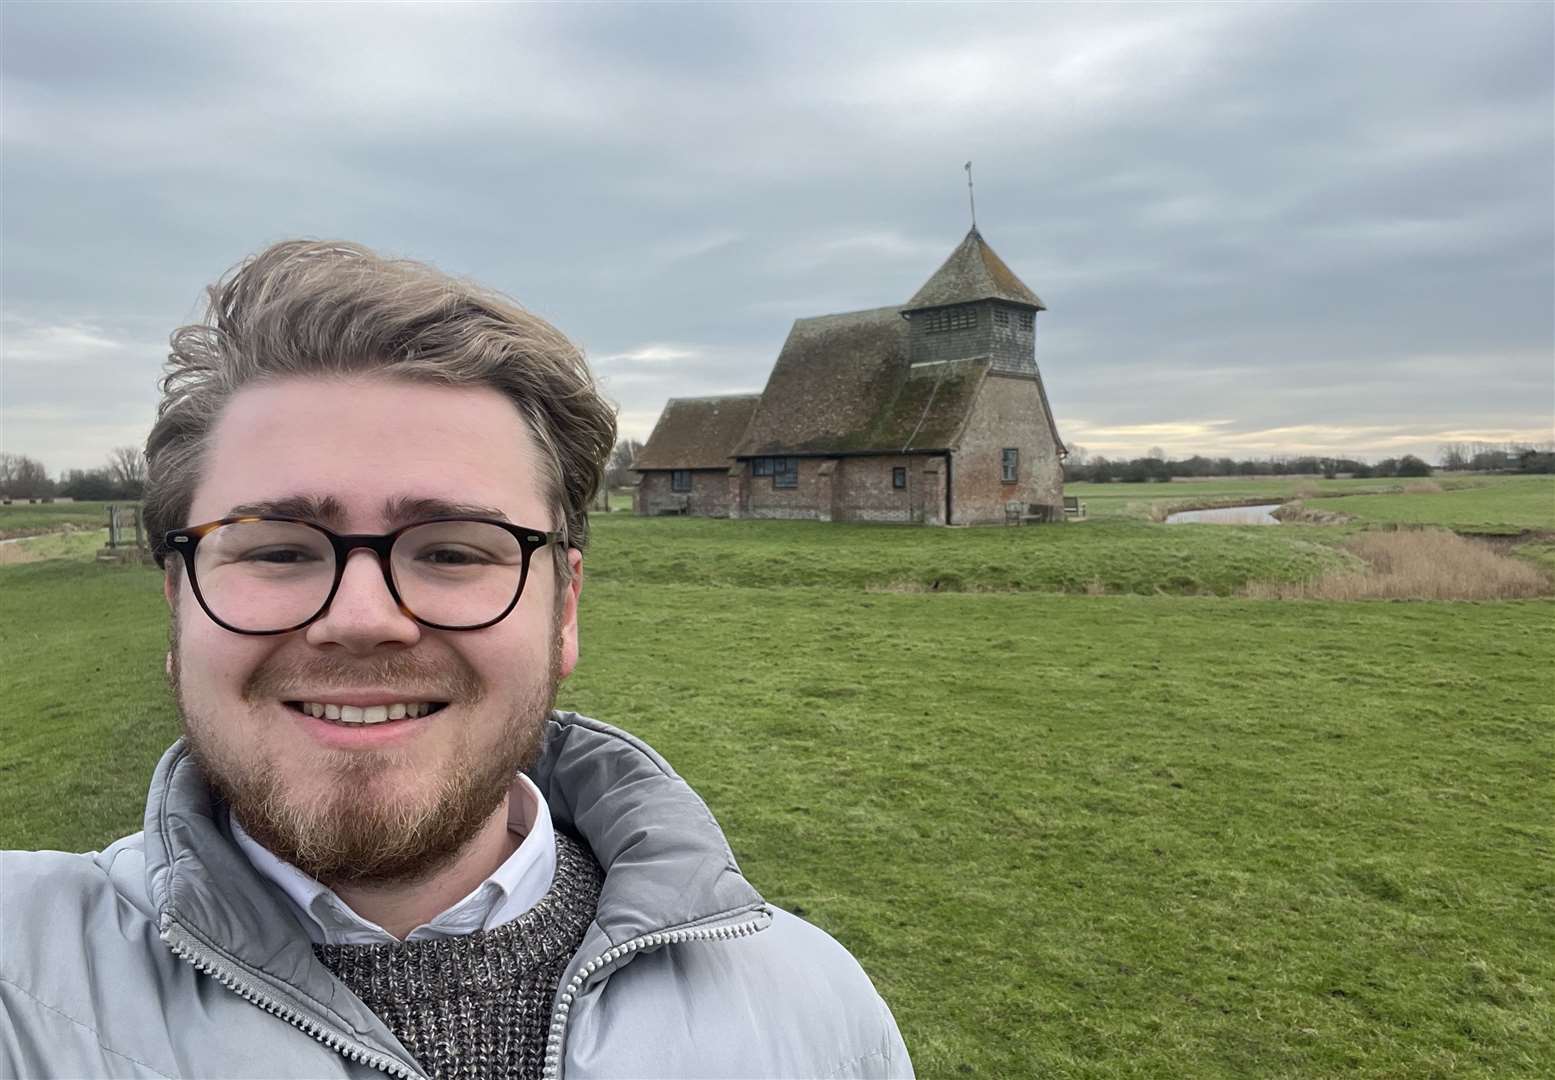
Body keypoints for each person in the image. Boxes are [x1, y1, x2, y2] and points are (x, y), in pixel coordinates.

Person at [0, 241, 912, 1079]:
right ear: (177, 606)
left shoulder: (814, 1018)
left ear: (565, 610)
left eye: (452, 550)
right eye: (276, 549)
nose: (363, 620)